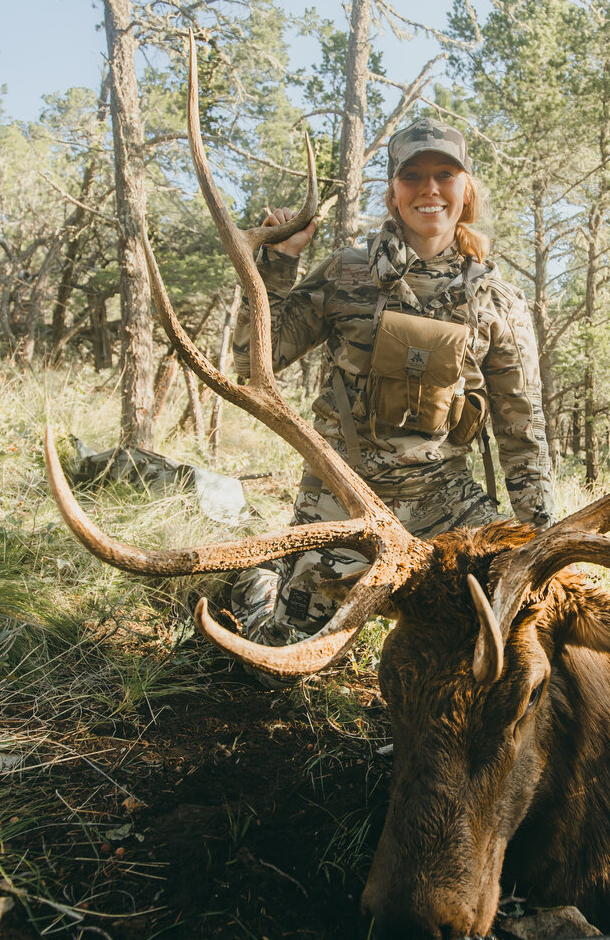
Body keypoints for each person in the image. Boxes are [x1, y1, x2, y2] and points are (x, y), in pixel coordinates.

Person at [230, 118, 555, 649]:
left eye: (445, 175)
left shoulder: (500, 301)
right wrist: (279, 260)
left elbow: (522, 430)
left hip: (444, 502)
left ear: (464, 188)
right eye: (413, 176)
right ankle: (260, 580)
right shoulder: (344, 271)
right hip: (342, 501)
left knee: (523, 627)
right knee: (277, 656)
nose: (430, 189)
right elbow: (252, 359)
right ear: (394, 192)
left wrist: (542, 543)